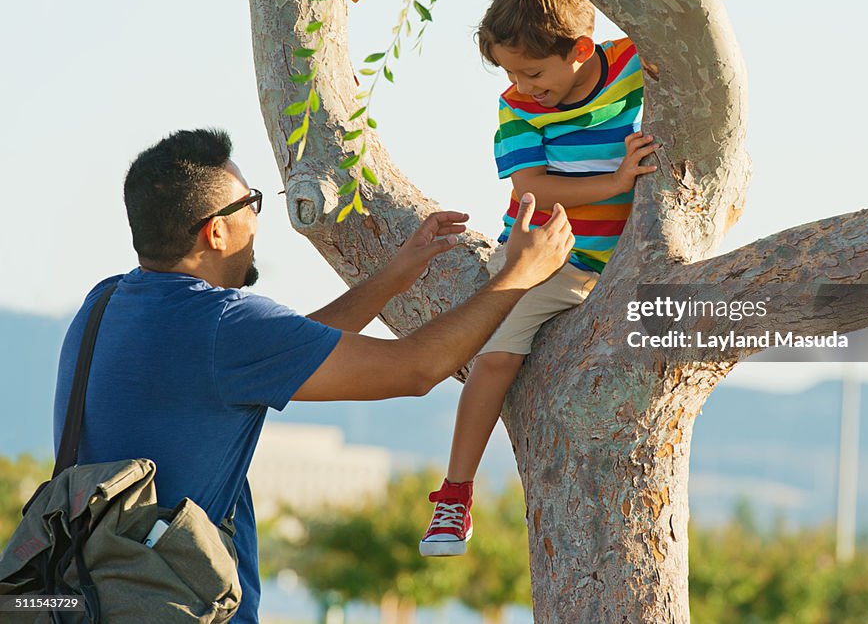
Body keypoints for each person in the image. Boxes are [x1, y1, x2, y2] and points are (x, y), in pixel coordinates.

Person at [53, 128, 572, 624]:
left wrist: (392, 278)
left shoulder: (106, 302)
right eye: (250, 204)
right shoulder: (223, 326)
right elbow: (415, 370)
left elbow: (288, 353)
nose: (258, 221)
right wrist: (519, 276)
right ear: (215, 231)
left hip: (95, 594)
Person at [419, 0, 657, 557]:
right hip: (548, 260)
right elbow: (534, 190)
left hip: (629, 263)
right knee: (494, 359)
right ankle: (454, 495)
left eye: (531, 71)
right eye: (507, 72)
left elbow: (654, 13)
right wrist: (618, 181)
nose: (521, 84)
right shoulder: (518, 109)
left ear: (581, 49)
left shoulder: (635, 62)